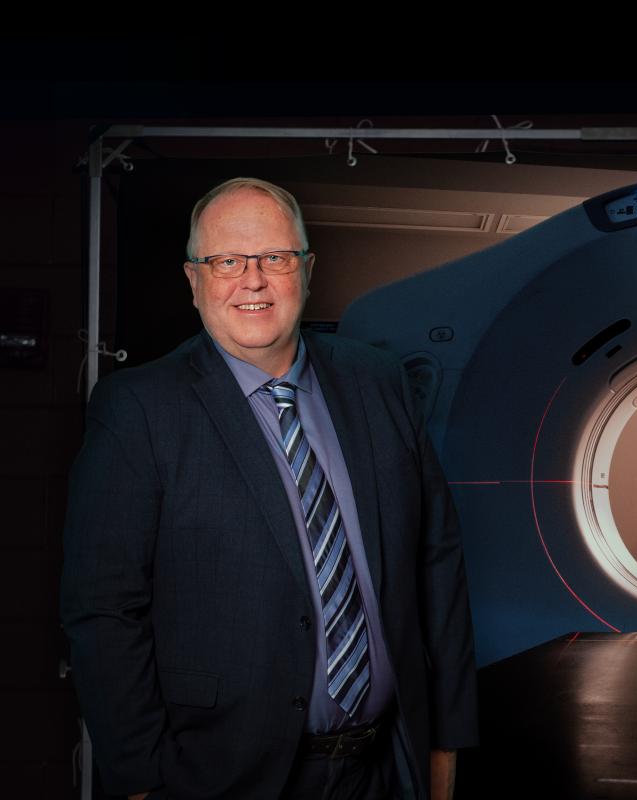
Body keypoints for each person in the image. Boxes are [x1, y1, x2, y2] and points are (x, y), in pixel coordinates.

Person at [61, 177, 477, 799]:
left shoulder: (380, 382)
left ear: (307, 270)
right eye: (226, 260)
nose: (251, 280)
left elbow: (435, 564)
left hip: (388, 767)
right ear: (194, 278)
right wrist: (142, 783)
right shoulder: (139, 409)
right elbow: (103, 609)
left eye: (275, 258)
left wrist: (445, 745)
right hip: (221, 774)